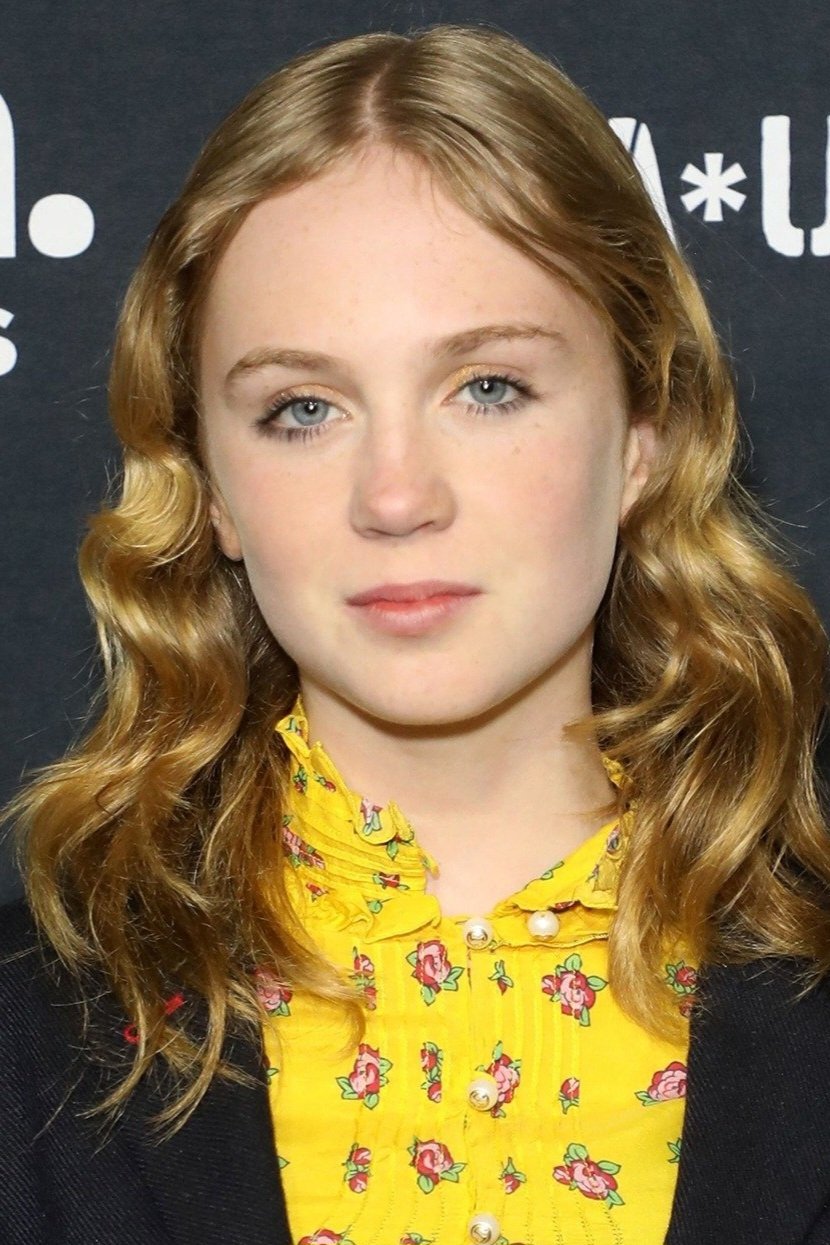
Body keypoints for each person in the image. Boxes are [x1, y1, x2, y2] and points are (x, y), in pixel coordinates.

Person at [1, 20, 829, 1245]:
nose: (395, 497)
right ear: (210, 485)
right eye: (302, 409)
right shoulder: (27, 1047)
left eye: (487, 388)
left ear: (642, 437)